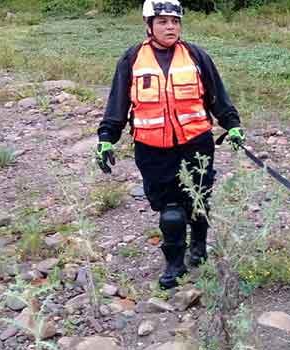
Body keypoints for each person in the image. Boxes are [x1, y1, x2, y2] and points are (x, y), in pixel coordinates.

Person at [94, 0, 245, 290]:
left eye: (175, 22)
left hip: (196, 143)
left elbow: (217, 96)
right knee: (171, 209)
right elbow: (117, 105)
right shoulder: (132, 59)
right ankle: (175, 263)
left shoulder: (196, 56)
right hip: (153, 149)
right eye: (163, 22)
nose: (170, 27)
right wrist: (106, 139)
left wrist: (232, 124)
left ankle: (199, 246)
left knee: (198, 200)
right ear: (149, 26)